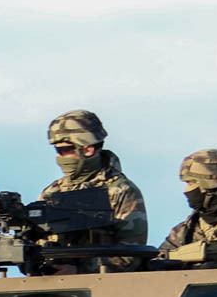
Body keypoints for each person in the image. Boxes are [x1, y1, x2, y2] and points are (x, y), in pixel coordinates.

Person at [38, 109, 148, 272]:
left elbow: (130, 255)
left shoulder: (120, 191)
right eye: (57, 151)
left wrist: (80, 271)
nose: (59, 157)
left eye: (64, 150)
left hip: (102, 288)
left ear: (88, 149)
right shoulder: (52, 192)